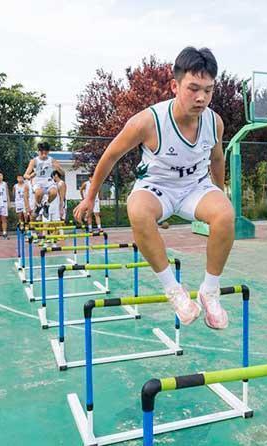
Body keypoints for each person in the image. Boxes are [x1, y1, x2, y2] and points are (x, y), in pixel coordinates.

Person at [73, 47, 234, 329]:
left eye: (208, 91)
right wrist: (90, 197)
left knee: (226, 213)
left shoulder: (214, 122)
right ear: (174, 86)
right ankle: (174, 291)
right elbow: (110, 156)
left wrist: (219, 194)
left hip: (194, 187)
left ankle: (210, 291)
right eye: (193, 89)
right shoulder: (147, 122)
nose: (201, 98)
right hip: (157, 188)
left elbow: (217, 159)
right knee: (137, 210)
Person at [23, 142, 64, 219]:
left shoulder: (52, 160)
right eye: (42, 153)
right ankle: (38, 206)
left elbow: (62, 173)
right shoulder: (34, 161)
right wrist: (30, 176)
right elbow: (25, 175)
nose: (44, 155)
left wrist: (58, 168)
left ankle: (46, 205)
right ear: (38, 152)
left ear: (48, 152)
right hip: (38, 181)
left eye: (45, 153)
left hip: (48, 181)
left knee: (54, 192)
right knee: (39, 192)